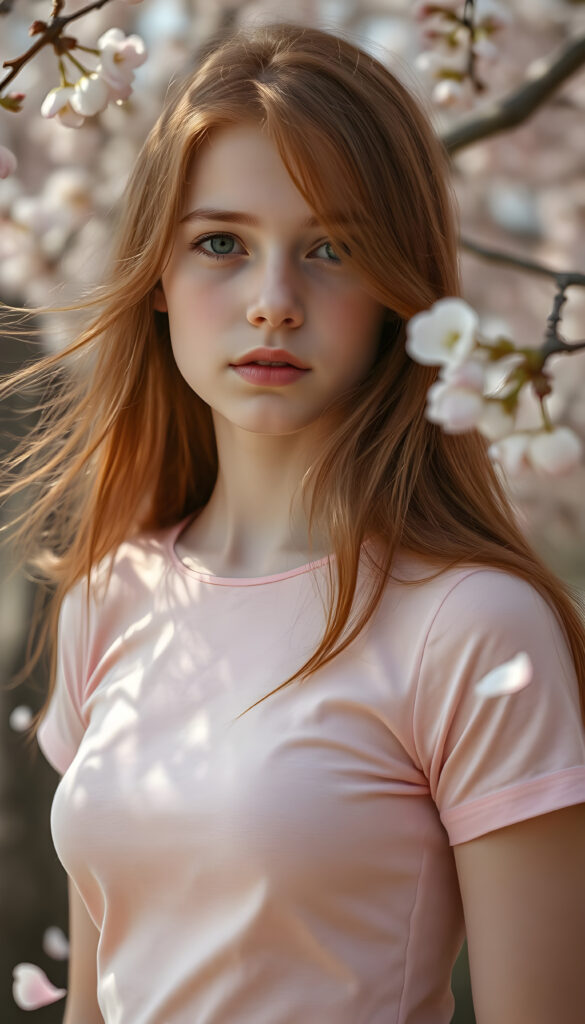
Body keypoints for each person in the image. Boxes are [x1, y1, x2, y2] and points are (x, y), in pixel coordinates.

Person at [2, 19, 585, 1024]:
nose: (273, 301)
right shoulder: (111, 593)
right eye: (221, 244)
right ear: (157, 276)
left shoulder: (474, 628)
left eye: (330, 249)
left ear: (398, 289)